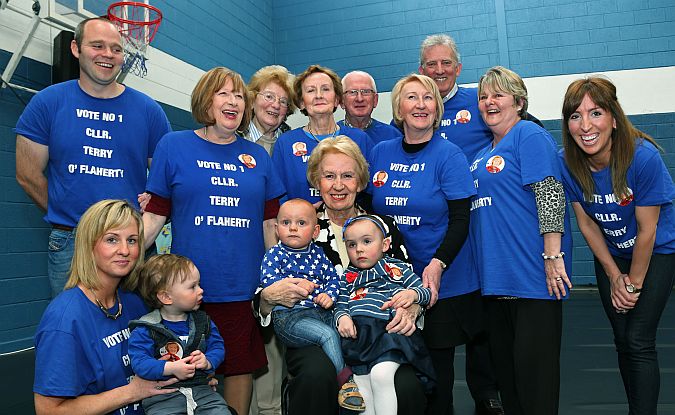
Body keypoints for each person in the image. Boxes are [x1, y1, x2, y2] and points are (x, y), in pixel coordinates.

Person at [142, 67, 285, 415]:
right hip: (183, 291)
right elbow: (155, 215)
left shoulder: (259, 157)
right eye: (224, 93)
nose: (233, 101)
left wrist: (275, 275)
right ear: (206, 100)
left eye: (239, 95)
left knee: (238, 367)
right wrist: (122, 259)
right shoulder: (173, 145)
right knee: (184, 373)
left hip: (241, 286)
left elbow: (270, 225)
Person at [259, 136, 426, 415]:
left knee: (405, 385)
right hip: (316, 329)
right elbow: (267, 288)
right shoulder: (300, 224)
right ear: (316, 181)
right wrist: (267, 298)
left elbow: (407, 281)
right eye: (329, 176)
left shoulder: (382, 226)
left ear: (360, 182)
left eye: (347, 176)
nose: (338, 185)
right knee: (316, 375)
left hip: (377, 333)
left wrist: (415, 307)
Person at [14, 17, 171, 298]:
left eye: (116, 49)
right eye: (97, 45)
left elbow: (167, 179)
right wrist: (68, 216)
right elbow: (27, 175)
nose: (107, 55)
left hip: (131, 244)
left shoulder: (149, 110)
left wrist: (149, 212)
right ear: (76, 48)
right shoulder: (47, 103)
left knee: (137, 333)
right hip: (70, 242)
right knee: (74, 332)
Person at [367, 73, 488, 415]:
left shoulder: (449, 155)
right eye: (411, 98)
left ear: (436, 109)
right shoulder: (380, 152)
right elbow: (367, 209)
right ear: (399, 108)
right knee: (395, 372)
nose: (420, 105)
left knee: (436, 378)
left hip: (442, 282)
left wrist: (438, 263)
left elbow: (461, 219)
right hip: (391, 281)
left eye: (428, 98)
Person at [559, 76, 675, 415]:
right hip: (611, 254)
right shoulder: (568, 162)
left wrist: (633, 285)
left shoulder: (643, 158)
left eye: (595, 113)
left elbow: (647, 229)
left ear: (613, 116)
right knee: (623, 340)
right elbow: (587, 223)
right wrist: (613, 275)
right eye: (576, 116)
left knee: (638, 339)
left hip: (656, 252)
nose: (585, 125)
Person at [471, 66, 572, 415]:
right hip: (496, 285)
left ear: (519, 101)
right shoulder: (483, 153)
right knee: (510, 384)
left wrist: (552, 257)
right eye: (483, 96)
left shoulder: (528, 135)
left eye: (498, 95)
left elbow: (549, 193)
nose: (489, 102)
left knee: (535, 386)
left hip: (533, 281)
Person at [33, 199, 177, 415]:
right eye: (111, 240)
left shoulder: (133, 302)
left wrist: (187, 377)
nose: (124, 250)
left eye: (132, 240)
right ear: (89, 245)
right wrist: (132, 392)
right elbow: (48, 410)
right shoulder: (64, 320)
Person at [337, 214, 435, 415]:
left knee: (381, 375)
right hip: (359, 337)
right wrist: (342, 317)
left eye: (366, 241)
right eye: (352, 245)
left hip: (388, 334)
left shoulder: (395, 268)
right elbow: (340, 303)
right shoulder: (348, 276)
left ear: (385, 244)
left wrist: (413, 294)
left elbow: (427, 292)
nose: (359, 249)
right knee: (362, 385)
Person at [128, 254, 232, 415]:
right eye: (193, 287)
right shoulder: (146, 329)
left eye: (199, 284)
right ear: (166, 297)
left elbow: (217, 347)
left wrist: (208, 361)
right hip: (163, 398)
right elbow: (139, 362)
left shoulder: (203, 322)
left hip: (204, 393)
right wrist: (169, 368)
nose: (201, 290)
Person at [272, 64, 374, 204]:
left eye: (325, 89)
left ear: (337, 99)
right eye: (311, 90)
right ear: (301, 102)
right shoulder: (286, 143)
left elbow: (369, 191)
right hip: (301, 224)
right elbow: (278, 197)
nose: (319, 96)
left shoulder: (359, 139)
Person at [338, 70, 402, 144]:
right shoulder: (332, 136)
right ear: (342, 101)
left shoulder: (392, 135)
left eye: (366, 92)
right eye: (352, 92)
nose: (359, 99)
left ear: (375, 100)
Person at [245, 65, 295, 156]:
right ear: (252, 100)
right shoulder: (231, 137)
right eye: (269, 96)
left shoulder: (292, 145)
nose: (276, 105)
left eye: (283, 101)